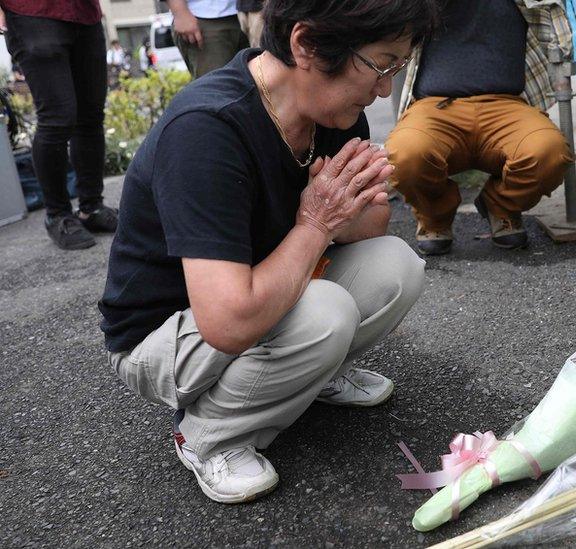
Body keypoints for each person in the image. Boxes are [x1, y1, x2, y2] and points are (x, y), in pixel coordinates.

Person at [99, 0, 436, 504]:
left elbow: (372, 223)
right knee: (326, 312)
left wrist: (335, 210)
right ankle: (209, 435)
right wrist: (317, 221)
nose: (384, 87)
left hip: (259, 290)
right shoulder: (207, 129)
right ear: (305, 44)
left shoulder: (334, 111)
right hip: (164, 334)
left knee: (397, 267)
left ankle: (310, 375)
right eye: (380, 63)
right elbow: (227, 321)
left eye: (397, 68)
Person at [386, 0, 574, 255]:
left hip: (506, 104)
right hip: (436, 106)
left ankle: (500, 206)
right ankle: (435, 216)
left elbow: (557, 26)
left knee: (549, 152)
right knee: (405, 154)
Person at [0, 0, 118, 250]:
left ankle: (92, 207)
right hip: (32, 11)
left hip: (85, 13)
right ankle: (58, 214)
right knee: (57, 119)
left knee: (90, 116)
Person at [169, 0, 249, 79]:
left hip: (248, 11)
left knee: (255, 85)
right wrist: (180, 12)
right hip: (202, 17)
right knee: (217, 86)